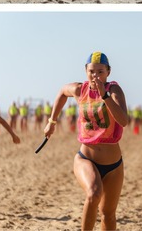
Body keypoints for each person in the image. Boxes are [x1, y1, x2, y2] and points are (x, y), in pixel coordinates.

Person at [44, 52, 129, 230]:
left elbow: (123, 120)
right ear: (85, 70)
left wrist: (104, 95)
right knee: (93, 193)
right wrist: (52, 121)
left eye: (100, 72)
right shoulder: (79, 89)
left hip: (113, 165)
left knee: (108, 215)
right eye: (91, 71)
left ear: (108, 72)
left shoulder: (114, 90)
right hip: (86, 158)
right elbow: (62, 92)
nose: (95, 76)